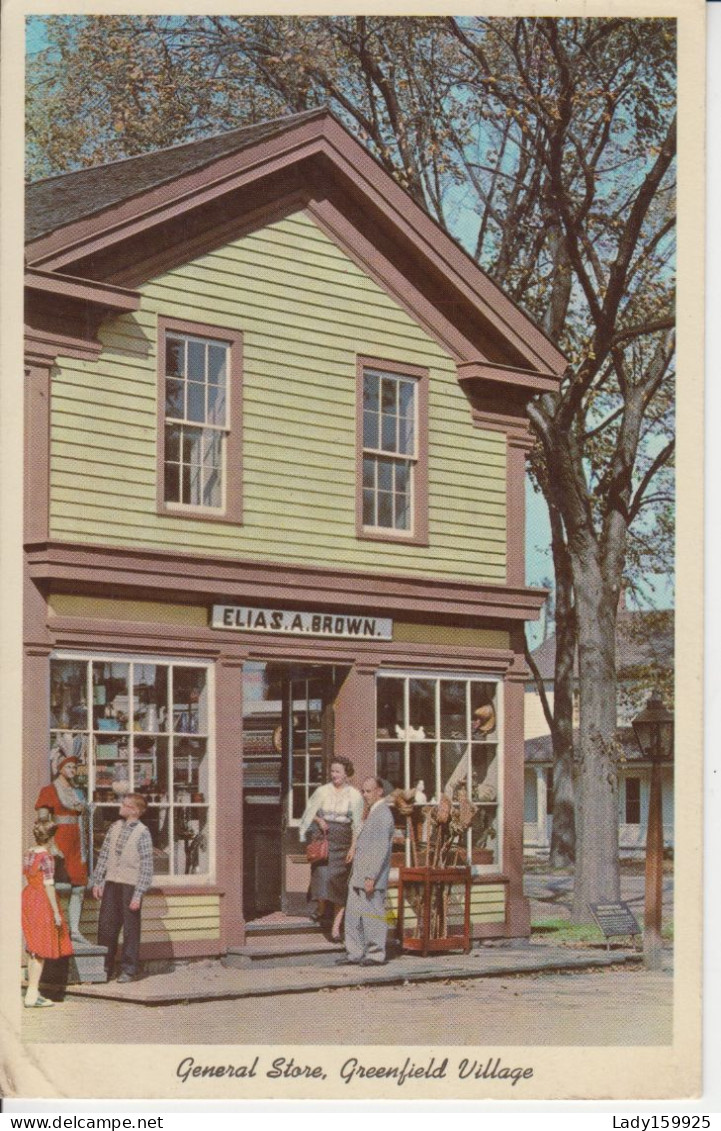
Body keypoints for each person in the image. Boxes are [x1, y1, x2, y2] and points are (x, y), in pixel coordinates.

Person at [299, 756, 363, 941]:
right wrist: (320, 820)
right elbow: (309, 813)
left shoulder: (355, 795)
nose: (334, 774)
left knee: (338, 885)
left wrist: (353, 847)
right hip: (324, 839)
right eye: (332, 771)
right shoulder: (322, 791)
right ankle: (320, 907)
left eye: (338, 771)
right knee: (321, 877)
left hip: (343, 841)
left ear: (346, 774)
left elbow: (357, 824)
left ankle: (336, 927)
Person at [91, 793, 153, 983]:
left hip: (131, 886)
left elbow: (147, 866)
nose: (121, 806)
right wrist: (98, 881)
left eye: (125, 804)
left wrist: (138, 894)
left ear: (134, 810)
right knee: (106, 926)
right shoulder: (115, 827)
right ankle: (105, 967)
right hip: (111, 883)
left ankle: (129, 969)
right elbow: (104, 856)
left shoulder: (143, 833)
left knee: (130, 930)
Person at [336, 776, 396, 967]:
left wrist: (372, 876)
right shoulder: (370, 813)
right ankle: (354, 952)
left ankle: (376, 954)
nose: (364, 795)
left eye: (368, 791)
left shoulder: (383, 814)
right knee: (353, 916)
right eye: (363, 791)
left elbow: (380, 850)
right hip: (358, 874)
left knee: (372, 915)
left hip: (371, 876)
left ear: (379, 791)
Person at [35, 753, 91, 948]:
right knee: (58, 885)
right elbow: (42, 820)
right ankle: (55, 928)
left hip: (78, 843)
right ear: (59, 769)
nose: (72, 771)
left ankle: (74, 930)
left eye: (75, 768)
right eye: (69, 767)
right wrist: (51, 844)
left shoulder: (78, 792)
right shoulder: (49, 790)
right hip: (59, 841)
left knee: (79, 886)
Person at [22, 818, 74, 1008]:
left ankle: (31, 992)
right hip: (42, 901)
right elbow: (49, 885)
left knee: (33, 947)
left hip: (28, 897)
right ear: (51, 837)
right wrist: (56, 913)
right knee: (40, 948)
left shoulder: (29, 852)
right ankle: (32, 994)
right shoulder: (47, 857)